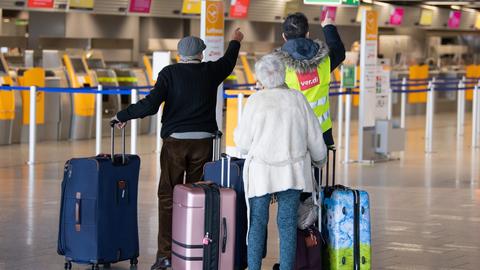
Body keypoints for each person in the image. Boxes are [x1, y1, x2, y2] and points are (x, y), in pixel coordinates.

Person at [111, 29, 244, 270]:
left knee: (168, 197)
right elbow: (229, 61)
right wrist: (235, 40)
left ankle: (165, 256)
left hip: (175, 143)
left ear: (179, 54)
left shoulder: (169, 73)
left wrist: (123, 115)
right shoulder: (210, 72)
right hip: (204, 142)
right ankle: (195, 250)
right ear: (200, 54)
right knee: (199, 197)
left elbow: (150, 105)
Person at [234, 54, 327, 270]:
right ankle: (286, 267)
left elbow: (242, 142)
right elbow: (314, 135)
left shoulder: (255, 101)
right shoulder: (297, 98)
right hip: (291, 172)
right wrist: (320, 158)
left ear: (261, 78)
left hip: (262, 174)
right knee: (286, 224)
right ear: (283, 74)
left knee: (257, 222)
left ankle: (254, 267)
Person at [275, 12, 346, 147]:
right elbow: (339, 51)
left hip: (291, 132)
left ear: (284, 37)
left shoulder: (278, 65)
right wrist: (328, 27)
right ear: (307, 33)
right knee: (317, 167)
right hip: (321, 132)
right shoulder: (325, 61)